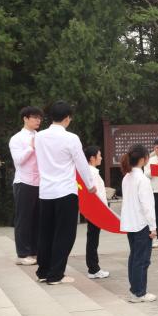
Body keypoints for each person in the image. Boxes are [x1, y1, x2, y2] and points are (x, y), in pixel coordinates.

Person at [35, 101, 96, 285]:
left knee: (45, 232)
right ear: (67, 118)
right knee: (65, 234)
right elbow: (81, 164)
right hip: (65, 191)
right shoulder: (71, 138)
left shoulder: (39, 136)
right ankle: (55, 275)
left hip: (46, 191)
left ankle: (43, 271)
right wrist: (90, 185)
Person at [120, 144, 157, 302]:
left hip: (131, 223)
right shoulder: (142, 179)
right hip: (142, 224)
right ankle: (139, 292)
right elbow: (147, 206)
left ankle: (135, 290)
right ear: (143, 159)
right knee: (142, 259)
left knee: (135, 257)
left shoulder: (127, 177)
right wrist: (153, 227)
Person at [9, 106, 42, 265]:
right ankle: (22, 255)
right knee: (24, 219)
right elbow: (18, 160)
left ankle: (34, 252)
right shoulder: (17, 138)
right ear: (25, 118)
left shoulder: (41, 136)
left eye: (39, 118)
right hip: (24, 182)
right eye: (34, 117)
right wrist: (31, 147)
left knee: (37, 219)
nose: (38, 120)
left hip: (41, 183)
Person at [83, 145, 110, 280]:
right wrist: (104, 211)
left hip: (94, 210)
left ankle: (93, 268)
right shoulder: (92, 173)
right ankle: (93, 269)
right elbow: (95, 194)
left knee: (92, 239)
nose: (101, 158)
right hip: (96, 210)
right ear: (92, 158)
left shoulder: (90, 172)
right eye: (99, 155)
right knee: (93, 240)